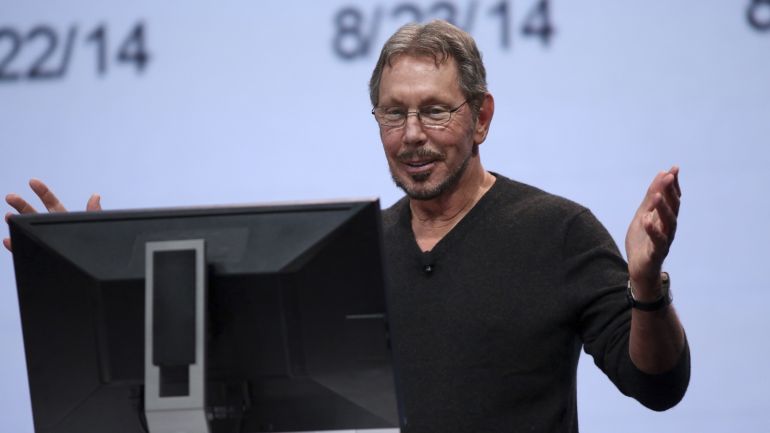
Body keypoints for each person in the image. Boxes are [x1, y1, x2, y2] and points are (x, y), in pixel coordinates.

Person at [6, 19, 688, 433]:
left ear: (481, 117)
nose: (412, 134)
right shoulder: (351, 255)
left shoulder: (558, 231)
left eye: (435, 111)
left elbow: (657, 384)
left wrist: (646, 286)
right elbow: (233, 388)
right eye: (393, 114)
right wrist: (92, 280)